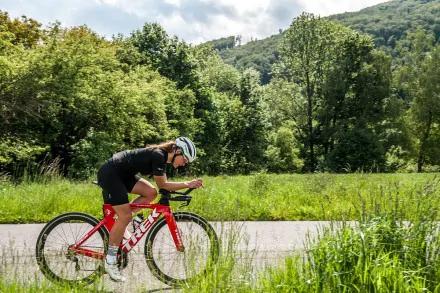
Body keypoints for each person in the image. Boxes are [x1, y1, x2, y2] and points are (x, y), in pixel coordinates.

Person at [97, 137, 203, 282]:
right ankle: (110, 261)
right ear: (177, 151)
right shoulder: (158, 156)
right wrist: (187, 184)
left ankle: (125, 220)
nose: (183, 164)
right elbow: (164, 186)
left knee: (150, 193)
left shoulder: (163, 159)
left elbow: (159, 188)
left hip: (122, 174)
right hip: (112, 173)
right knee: (125, 216)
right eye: (184, 160)